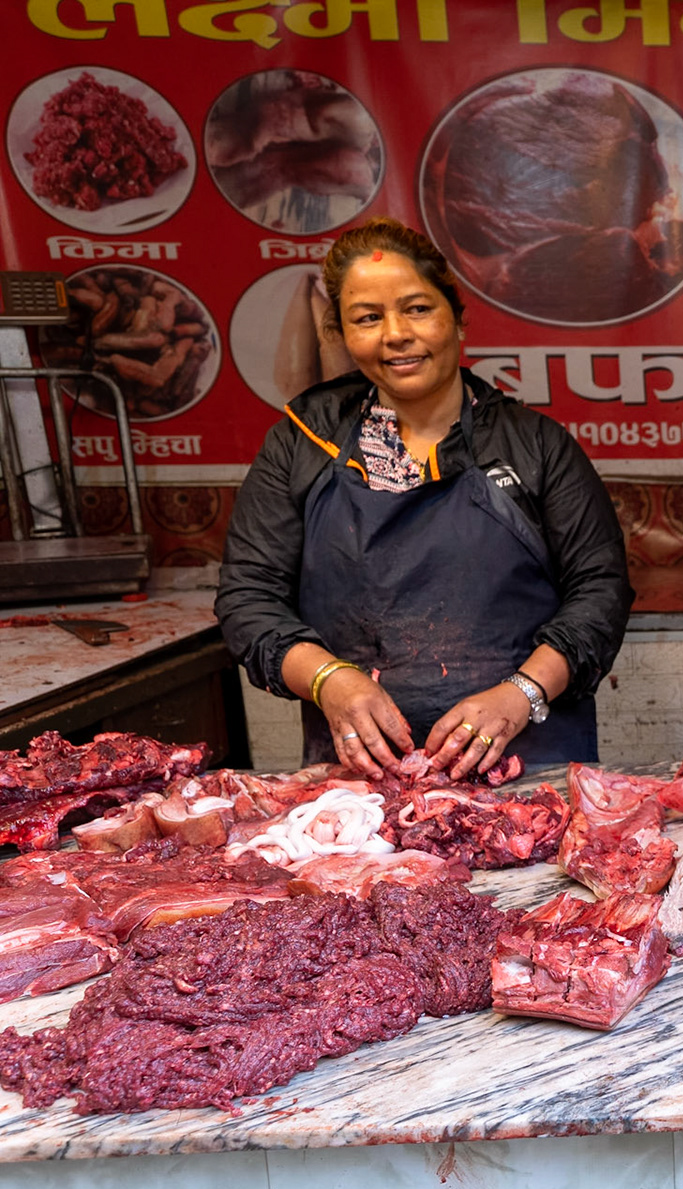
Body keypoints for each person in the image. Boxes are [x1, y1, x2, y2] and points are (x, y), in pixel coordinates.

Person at [217, 217, 633, 780]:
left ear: (457, 319)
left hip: (529, 767)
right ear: (339, 335)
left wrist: (520, 694)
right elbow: (248, 597)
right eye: (368, 318)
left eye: (417, 308)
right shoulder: (303, 442)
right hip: (362, 782)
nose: (395, 334)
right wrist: (328, 680)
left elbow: (600, 592)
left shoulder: (534, 446)